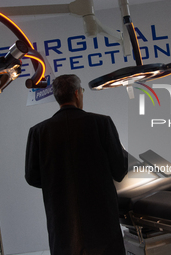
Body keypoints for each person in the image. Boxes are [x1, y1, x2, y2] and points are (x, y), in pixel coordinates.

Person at [25, 74, 128, 255]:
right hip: (101, 219)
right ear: (77, 93)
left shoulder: (38, 132)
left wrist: (57, 183)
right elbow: (119, 169)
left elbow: (32, 177)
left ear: (57, 98)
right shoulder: (102, 123)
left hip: (62, 220)